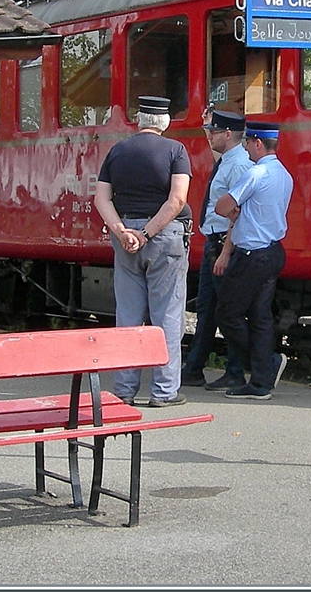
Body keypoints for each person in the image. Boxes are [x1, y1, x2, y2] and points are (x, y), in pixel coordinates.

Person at [93, 95, 192, 408]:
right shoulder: (176, 151)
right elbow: (177, 200)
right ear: (164, 122)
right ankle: (164, 392)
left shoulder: (117, 151)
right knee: (168, 315)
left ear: (139, 120)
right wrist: (148, 233)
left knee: (129, 316)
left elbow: (101, 199)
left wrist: (122, 231)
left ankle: (124, 390)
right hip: (164, 237)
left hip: (126, 240)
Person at [212, 120, 294, 400]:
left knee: (228, 313)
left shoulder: (256, 173)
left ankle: (266, 365)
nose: (245, 145)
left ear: (258, 143)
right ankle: (260, 383)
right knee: (260, 318)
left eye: (248, 141)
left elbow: (222, 206)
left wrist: (234, 212)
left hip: (251, 255)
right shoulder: (284, 174)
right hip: (272, 251)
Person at [179, 108, 253, 390]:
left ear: (228, 134)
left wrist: (225, 252)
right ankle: (195, 368)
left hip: (225, 242)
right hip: (214, 242)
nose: (208, 136)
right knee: (207, 309)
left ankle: (240, 369)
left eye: (213, 131)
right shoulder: (227, 160)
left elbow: (238, 212)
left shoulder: (238, 165)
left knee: (227, 311)